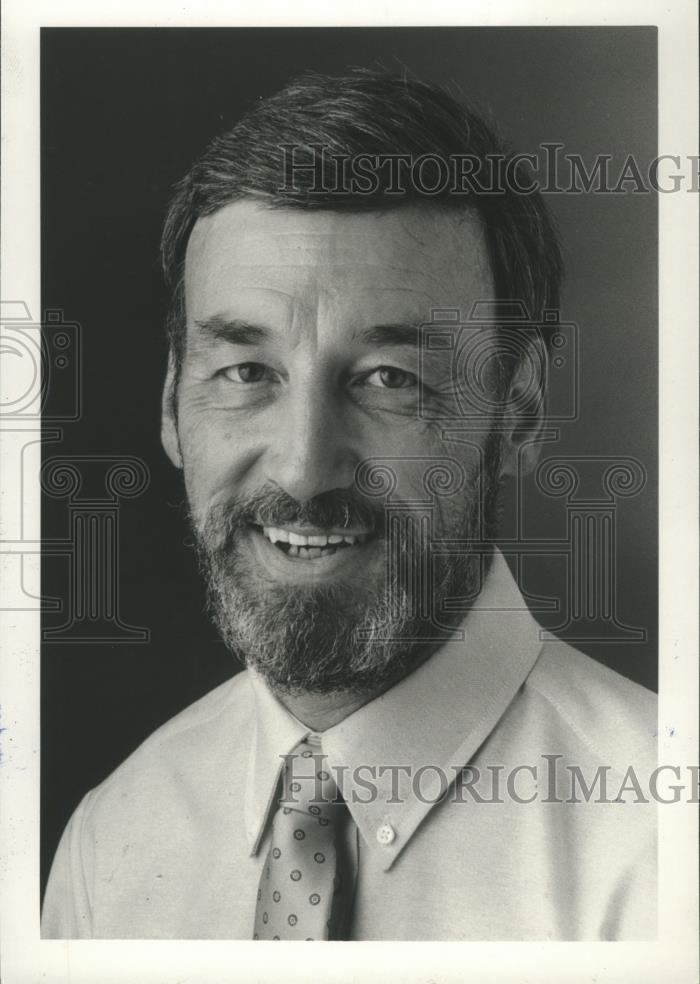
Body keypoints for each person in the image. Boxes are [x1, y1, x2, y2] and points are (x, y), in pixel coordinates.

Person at [42, 68, 656, 941]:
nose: (301, 470)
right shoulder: (110, 845)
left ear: (520, 414)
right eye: (247, 372)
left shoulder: (662, 851)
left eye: (388, 380)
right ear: (173, 405)